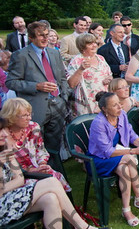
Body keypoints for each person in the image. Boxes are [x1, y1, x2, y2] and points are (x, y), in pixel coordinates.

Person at [0, 117, 109, 229]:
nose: (5, 133)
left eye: (4, 129)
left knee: (51, 199)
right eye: (1, 131)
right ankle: (81, 227)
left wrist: (7, 185)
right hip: (3, 206)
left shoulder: (5, 150)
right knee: (51, 182)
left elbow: (19, 179)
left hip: (14, 197)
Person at [6, 21, 71, 170]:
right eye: (40, 35)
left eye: (47, 35)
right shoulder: (20, 55)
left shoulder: (54, 52)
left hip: (57, 105)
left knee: (53, 144)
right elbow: (11, 82)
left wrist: (64, 96)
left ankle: (54, 171)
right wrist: (36, 86)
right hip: (35, 107)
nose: (45, 38)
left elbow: (62, 77)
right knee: (36, 144)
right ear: (31, 37)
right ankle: (37, 173)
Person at [88, 92, 139, 227]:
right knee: (128, 158)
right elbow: (107, 151)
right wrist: (133, 151)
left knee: (125, 168)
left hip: (119, 157)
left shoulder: (122, 115)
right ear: (104, 109)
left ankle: (126, 210)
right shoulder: (98, 123)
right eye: (115, 105)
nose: (120, 107)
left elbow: (132, 135)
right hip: (98, 160)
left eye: (119, 103)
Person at [0, 98, 71, 192]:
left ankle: (65, 206)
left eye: (30, 114)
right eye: (25, 115)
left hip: (35, 167)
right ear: (12, 117)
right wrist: (29, 171)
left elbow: (40, 149)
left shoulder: (33, 127)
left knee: (54, 176)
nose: (29, 118)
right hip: (16, 176)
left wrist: (42, 164)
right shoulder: (3, 135)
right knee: (45, 185)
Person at [66, 34, 112, 117]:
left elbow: (110, 75)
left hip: (102, 100)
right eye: (90, 44)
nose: (94, 45)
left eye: (95, 42)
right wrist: (80, 69)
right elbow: (71, 84)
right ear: (82, 47)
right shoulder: (76, 61)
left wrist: (109, 79)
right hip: (85, 103)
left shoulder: (101, 58)